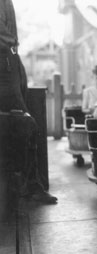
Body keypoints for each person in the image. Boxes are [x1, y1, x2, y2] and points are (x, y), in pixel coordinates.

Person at [0, 0, 57, 204]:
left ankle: (28, 184)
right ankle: (27, 185)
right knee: (25, 123)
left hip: (10, 59)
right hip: (4, 61)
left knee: (27, 124)